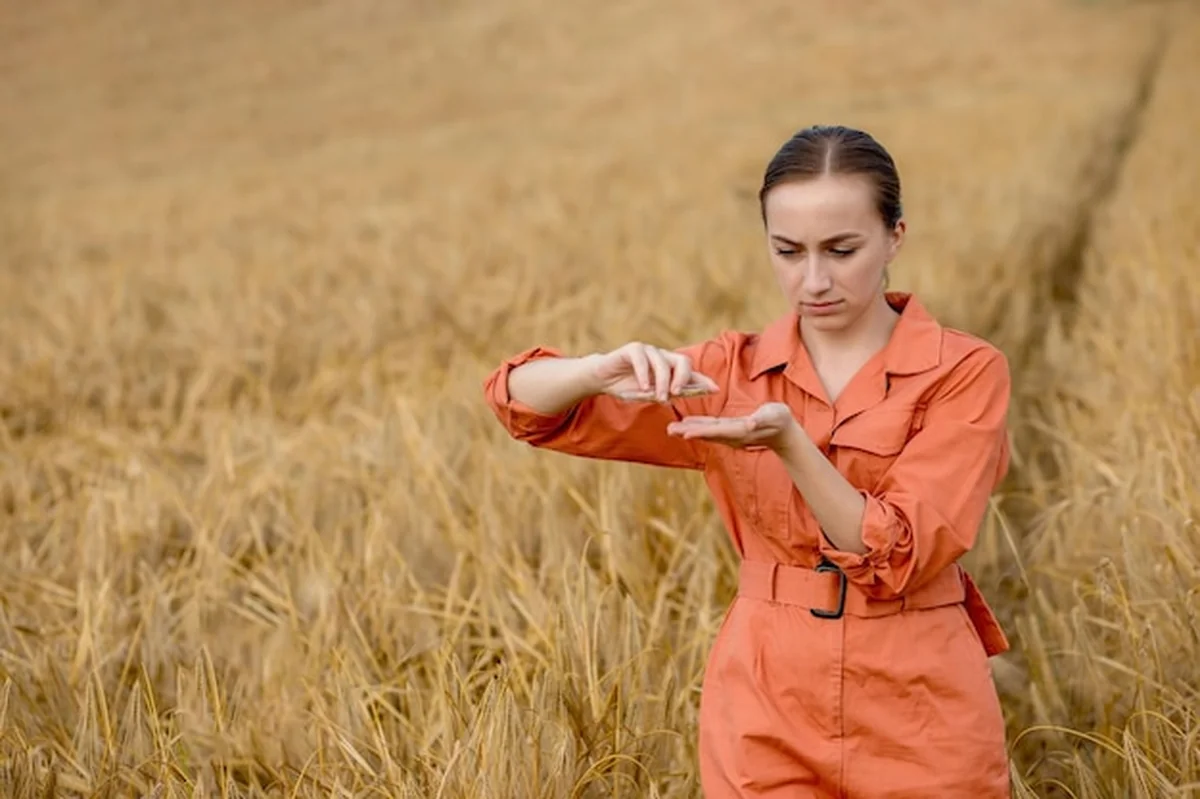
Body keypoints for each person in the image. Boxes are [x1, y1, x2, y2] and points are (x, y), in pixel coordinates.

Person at [481, 124, 1013, 798]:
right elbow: (520, 405)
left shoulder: (964, 372)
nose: (813, 279)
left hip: (920, 699)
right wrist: (596, 370)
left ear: (895, 237)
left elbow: (900, 552)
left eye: (841, 250)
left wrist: (791, 445)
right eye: (787, 250)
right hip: (766, 696)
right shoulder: (729, 371)